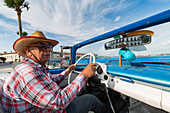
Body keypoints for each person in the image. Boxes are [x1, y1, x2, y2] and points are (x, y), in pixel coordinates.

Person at [1, 31, 111, 113]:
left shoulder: (33, 68)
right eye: (42, 47)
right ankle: (111, 110)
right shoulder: (28, 74)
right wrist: (84, 75)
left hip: (40, 107)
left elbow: (48, 81)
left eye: (49, 48)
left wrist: (67, 71)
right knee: (90, 99)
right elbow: (59, 102)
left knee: (80, 89)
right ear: (28, 51)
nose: (48, 51)